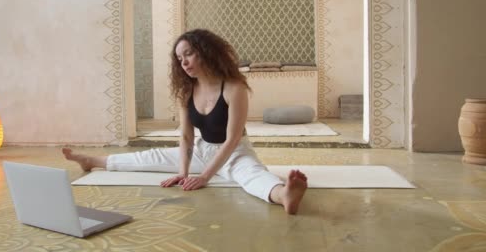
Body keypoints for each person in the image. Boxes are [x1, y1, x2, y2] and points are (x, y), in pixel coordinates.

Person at [63, 29, 307, 214]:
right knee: (151, 157)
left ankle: (283, 194)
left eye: (189, 54)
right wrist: (183, 171)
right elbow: (186, 137)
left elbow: (232, 139)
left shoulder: (234, 87)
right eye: (180, 58)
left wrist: (205, 177)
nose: (184, 62)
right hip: (202, 151)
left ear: (206, 51)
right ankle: (92, 161)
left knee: (252, 176)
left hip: (234, 152)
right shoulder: (186, 91)